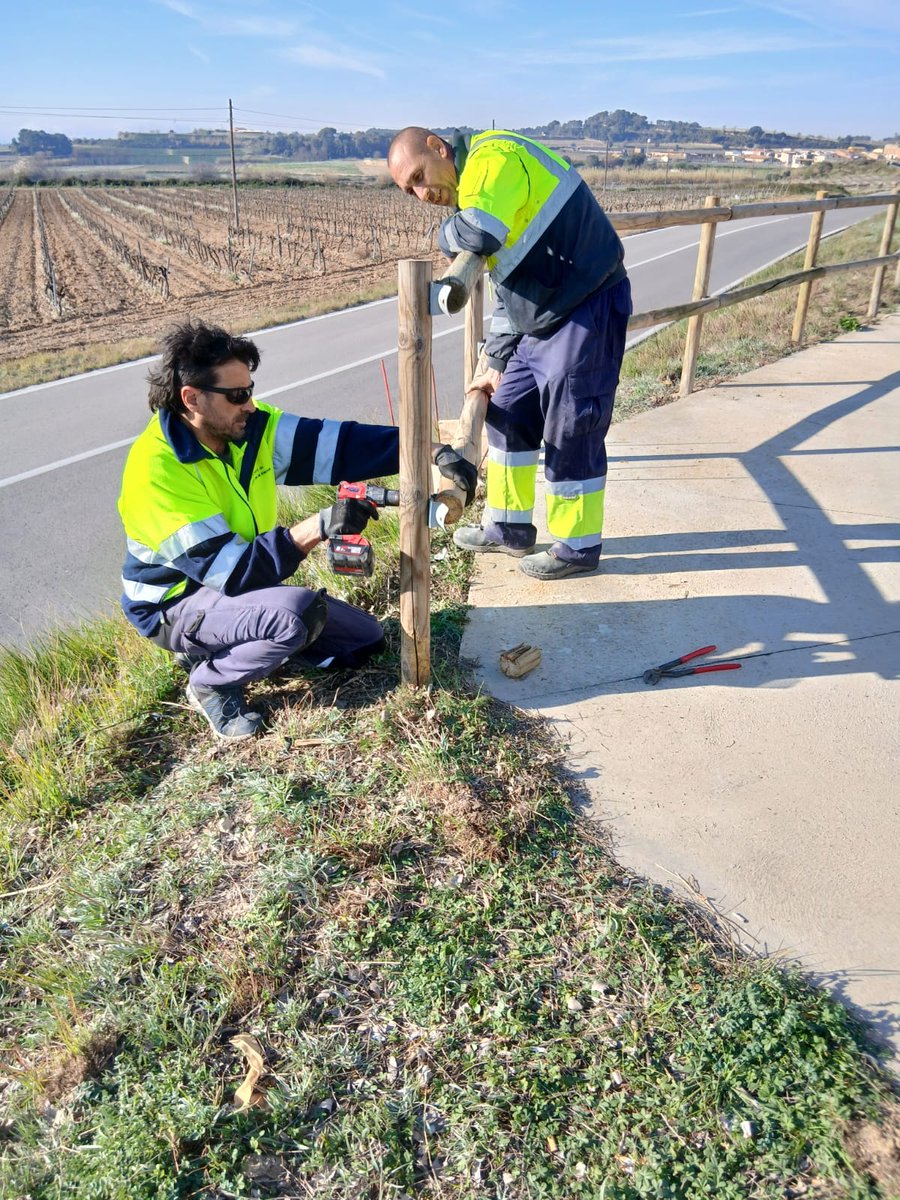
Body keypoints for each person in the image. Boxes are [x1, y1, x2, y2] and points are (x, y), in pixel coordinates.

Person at [118, 321, 475, 740]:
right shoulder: (157, 472)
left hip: (229, 588)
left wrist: (430, 450)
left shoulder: (246, 427)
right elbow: (234, 574)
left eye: (249, 389)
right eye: (237, 395)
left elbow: (340, 445)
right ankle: (211, 681)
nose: (250, 404)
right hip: (175, 604)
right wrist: (317, 527)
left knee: (366, 640)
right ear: (191, 398)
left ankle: (235, 641)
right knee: (295, 616)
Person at [388, 126, 631, 581]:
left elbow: (480, 235)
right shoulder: (471, 191)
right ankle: (508, 528)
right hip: (539, 317)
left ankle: (576, 548)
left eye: (420, 176)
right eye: (410, 190)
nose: (422, 193)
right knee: (504, 408)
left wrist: (444, 236)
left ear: (440, 148)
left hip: (585, 305)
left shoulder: (492, 157)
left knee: (571, 424)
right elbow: (506, 287)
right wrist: (495, 362)